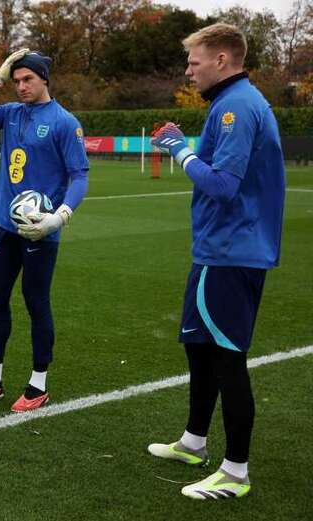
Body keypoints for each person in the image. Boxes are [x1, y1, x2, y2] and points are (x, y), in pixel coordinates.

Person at [148, 23, 285, 500]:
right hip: (216, 251)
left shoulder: (237, 108)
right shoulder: (232, 104)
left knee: (228, 361)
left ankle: (235, 472)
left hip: (231, 252)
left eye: (194, 61)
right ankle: (193, 442)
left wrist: (180, 151)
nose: (188, 70)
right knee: (199, 349)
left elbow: (224, 186)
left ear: (222, 60)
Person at [0, 50, 89, 412]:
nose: (21, 87)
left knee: (35, 301)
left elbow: (79, 175)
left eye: (27, 79)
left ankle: (38, 384)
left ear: (44, 79)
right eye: (16, 81)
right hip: (3, 224)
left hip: (40, 230)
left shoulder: (64, 122)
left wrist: (58, 217)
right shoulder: (11, 113)